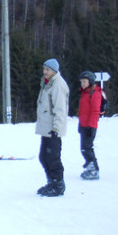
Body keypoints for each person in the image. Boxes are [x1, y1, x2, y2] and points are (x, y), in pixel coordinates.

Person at [35, 58, 69, 197]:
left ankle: (58, 185)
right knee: (44, 157)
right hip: (46, 128)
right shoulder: (47, 84)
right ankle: (51, 182)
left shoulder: (58, 85)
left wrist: (56, 128)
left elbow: (60, 109)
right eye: (44, 69)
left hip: (53, 130)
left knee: (53, 158)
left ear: (54, 71)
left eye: (47, 70)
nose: (45, 72)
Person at [78, 71, 102, 180]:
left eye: (84, 81)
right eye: (81, 82)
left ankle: (94, 170)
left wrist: (91, 127)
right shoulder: (85, 93)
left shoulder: (94, 93)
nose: (82, 84)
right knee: (84, 148)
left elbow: (95, 111)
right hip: (84, 125)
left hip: (89, 127)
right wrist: (81, 125)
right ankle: (90, 167)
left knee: (87, 148)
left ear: (90, 82)